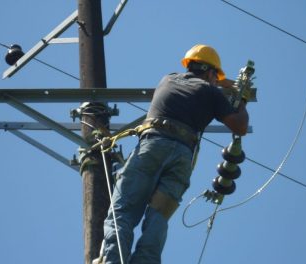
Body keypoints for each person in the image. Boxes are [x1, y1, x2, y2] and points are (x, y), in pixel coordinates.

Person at [99, 44, 249, 264]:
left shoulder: (167, 79)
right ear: (210, 73)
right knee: (158, 218)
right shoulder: (211, 92)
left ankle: (112, 260)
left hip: (151, 147)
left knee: (123, 212)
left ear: (189, 65)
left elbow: (202, 79)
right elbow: (240, 127)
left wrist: (222, 82)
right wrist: (241, 99)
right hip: (181, 159)